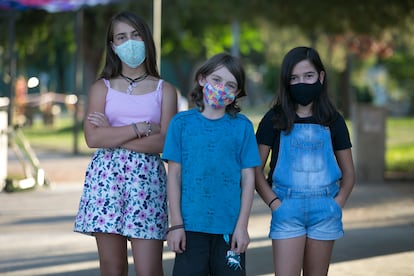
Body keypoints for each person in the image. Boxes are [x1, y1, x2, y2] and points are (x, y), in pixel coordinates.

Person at [73, 11, 177, 276]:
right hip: (106, 181)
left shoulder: (164, 90)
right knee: (112, 267)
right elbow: (93, 138)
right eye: (121, 37)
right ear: (113, 46)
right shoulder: (101, 87)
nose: (129, 42)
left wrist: (114, 134)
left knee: (149, 269)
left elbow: (165, 141)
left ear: (146, 39)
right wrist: (138, 129)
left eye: (135, 35)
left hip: (148, 184)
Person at [255, 46, 355, 276]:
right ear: (286, 82)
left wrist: (336, 204)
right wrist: (274, 204)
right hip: (286, 208)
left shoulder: (333, 120)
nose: (302, 83)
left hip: (325, 210)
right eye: (294, 78)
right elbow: (255, 170)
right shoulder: (274, 119)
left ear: (321, 77)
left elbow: (349, 173)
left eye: (308, 76)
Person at [162, 53, 261, 276]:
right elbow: (174, 176)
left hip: (229, 230)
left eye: (230, 85)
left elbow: (248, 179)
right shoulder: (181, 124)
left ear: (236, 94)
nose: (222, 87)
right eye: (216, 80)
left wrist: (242, 226)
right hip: (190, 228)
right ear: (202, 79)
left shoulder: (242, 127)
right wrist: (176, 225)